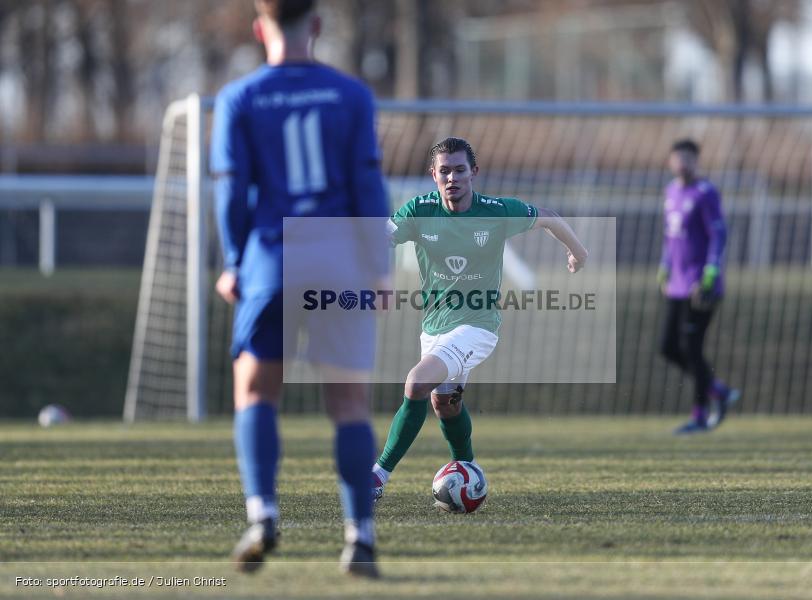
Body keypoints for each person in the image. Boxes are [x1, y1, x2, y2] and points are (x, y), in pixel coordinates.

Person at [210, 0, 388, 577]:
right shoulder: (352, 95)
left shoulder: (240, 98)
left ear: (260, 28)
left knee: (257, 393)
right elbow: (366, 181)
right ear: (316, 25)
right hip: (341, 261)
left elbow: (232, 192)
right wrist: (379, 266)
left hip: (274, 259)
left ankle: (262, 513)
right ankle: (359, 534)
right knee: (349, 405)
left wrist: (235, 260)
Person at [371, 137, 589, 501]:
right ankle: (468, 472)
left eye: (459, 170)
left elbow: (548, 217)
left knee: (416, 383)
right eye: (445, 171)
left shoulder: (495, 211)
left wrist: (577, 252)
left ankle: (376, 477)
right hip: (434, 328)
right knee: (446, 404)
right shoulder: (419, 211)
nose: (452, 178)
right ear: (433, 175)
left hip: (477, 326)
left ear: (474, 172)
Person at [657, 139, 741, 435]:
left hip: (701, 286)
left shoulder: (706, 193)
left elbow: (718, 235)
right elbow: (671, 236)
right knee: (668, 347)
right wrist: (664, 267)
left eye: (689, 157)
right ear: (670, 161)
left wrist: (710, 272)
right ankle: (717, 390)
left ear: (697, 161)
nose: (683, 162)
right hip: (677, 285)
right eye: (678, 156)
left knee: (692, 349)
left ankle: (700, 416)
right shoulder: (670, 192)